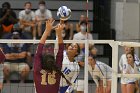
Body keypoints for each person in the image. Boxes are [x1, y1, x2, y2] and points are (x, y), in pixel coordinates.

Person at [34, 19, 66, 93]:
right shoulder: (57, 70)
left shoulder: (38, 70)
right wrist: (59, 33)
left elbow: (38, 51)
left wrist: (47, 30)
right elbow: (61, 51)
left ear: (42, 62)